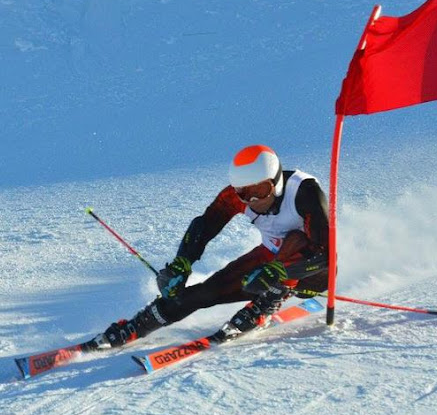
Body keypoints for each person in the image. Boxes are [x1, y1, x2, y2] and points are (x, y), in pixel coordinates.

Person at [90, 144, 330, 349]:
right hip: (269, 260)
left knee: (294, 241)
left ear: (276, 181)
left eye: (260, 190)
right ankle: (135, 327)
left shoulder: (304, 192)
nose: (253, 200)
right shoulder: (234, 197)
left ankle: (266, 303)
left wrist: (280, 273)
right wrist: (181, 264)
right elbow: (205, 225)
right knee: (205, 292)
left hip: (313, 274)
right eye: (245, 193)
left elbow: (325, 253)